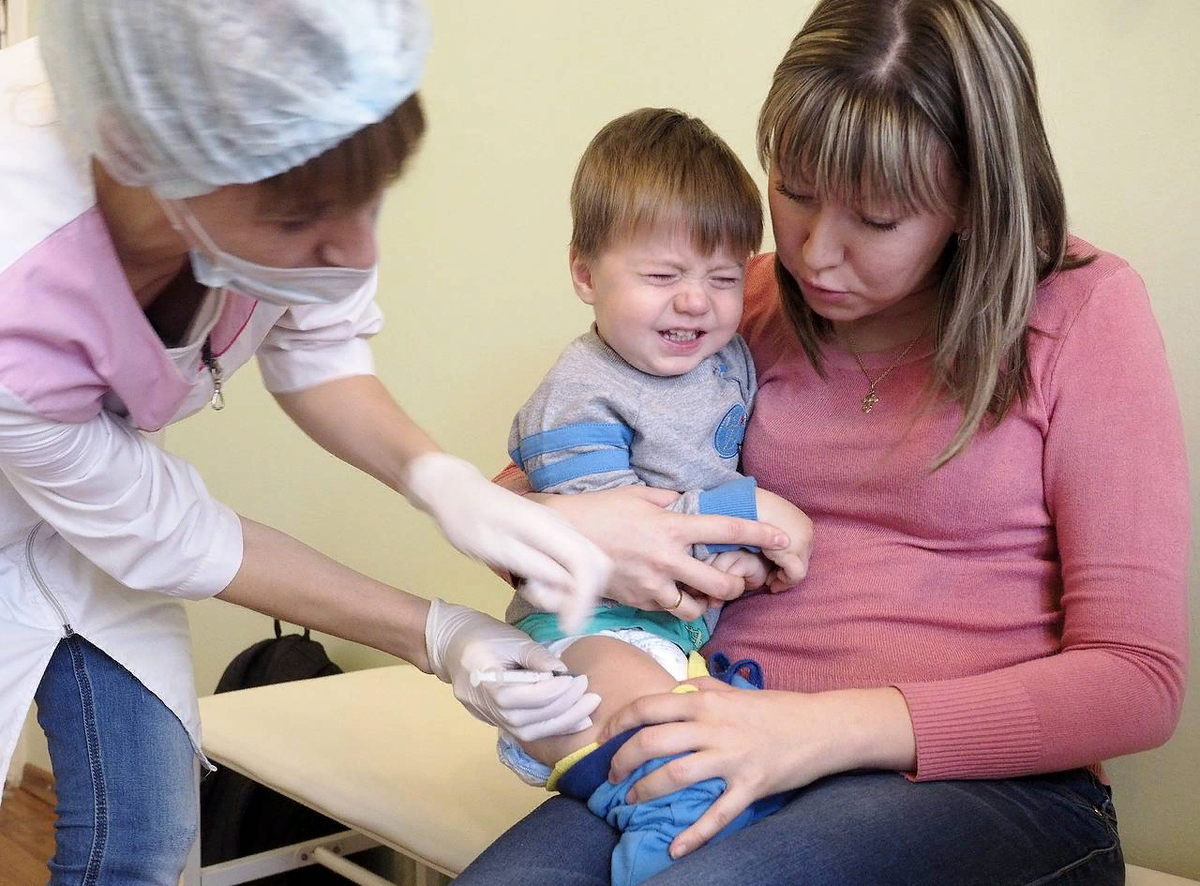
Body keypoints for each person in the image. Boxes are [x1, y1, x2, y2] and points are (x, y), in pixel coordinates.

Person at [0, 2, 765, 883]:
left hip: (98, 517)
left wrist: (439, 480)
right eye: (303, 222)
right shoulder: (27, 275)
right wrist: (437, 634)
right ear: (148, 166)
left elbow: (317, 346)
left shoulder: (277, 146)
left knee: (142, 841)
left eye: (368, 205)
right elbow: (170, 533)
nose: (356, 250)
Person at [455, 1, 1191, 884]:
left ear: (972, 196)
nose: (814, 254)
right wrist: (567, 532)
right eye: (794, 193)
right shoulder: (734, 306)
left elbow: (1138, 681)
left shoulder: (1083, 314)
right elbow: (519, 500)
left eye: (876, 221)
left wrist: (814, 730)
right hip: (714, 731)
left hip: (986, 788)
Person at [495, 107, 813, 885]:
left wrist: (740, 561)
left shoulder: (725, 357)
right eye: (662, 276)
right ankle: (656, 847)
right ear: (584, 273)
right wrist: (750, 517)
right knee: (676, 776)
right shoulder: (580, 393)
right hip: (586, 632)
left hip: (672, 639)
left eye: (724, 277)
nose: (696, 303)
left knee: (707, 746)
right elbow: (610, 529)